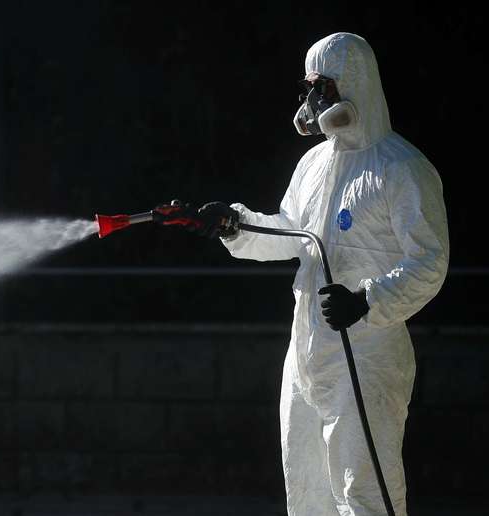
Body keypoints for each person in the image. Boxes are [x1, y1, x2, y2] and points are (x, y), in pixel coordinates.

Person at [164, 33, 449, 515]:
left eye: (320, 86)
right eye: (308, 87)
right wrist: (235, 225)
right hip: (308, 349)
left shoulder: (402, 169)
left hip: (365, 354)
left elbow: (429, 262)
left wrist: (366, 302)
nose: (311, 100)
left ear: (352, 84)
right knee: (308, 490)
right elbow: (292, 234)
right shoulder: (314, 163)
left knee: (365, 494)